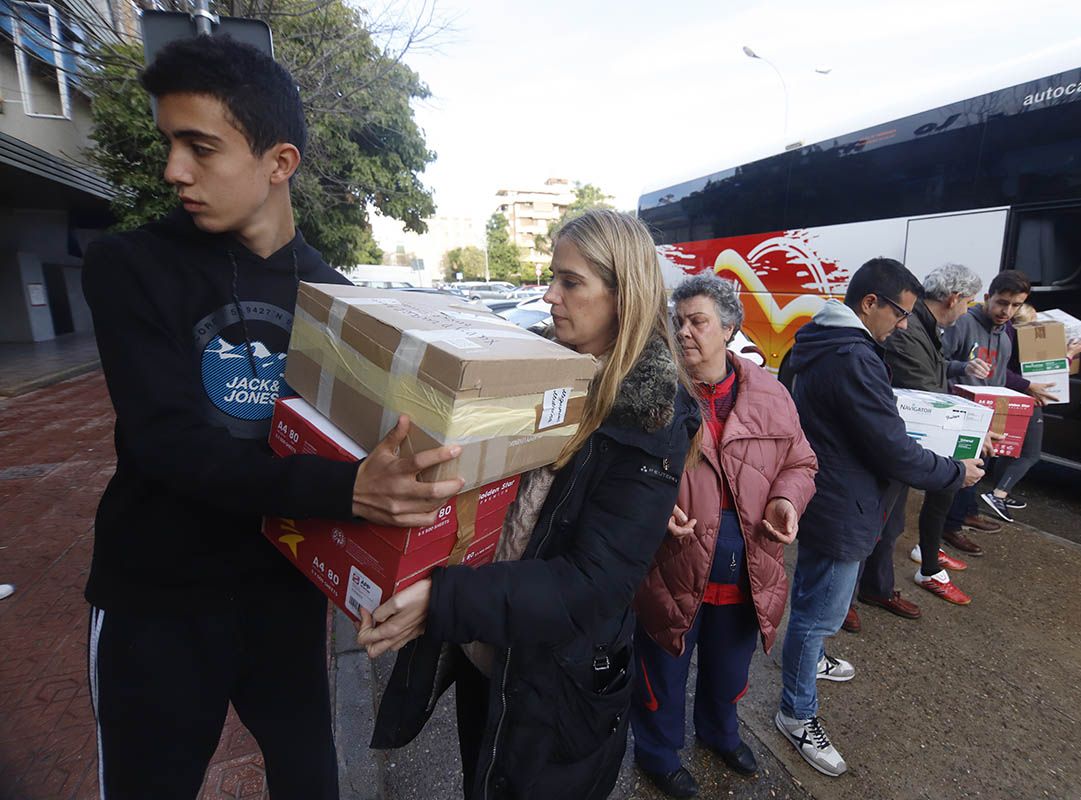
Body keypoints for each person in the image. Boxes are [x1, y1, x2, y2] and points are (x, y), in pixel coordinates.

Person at [82, 36, 464, 799]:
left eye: (201, 148)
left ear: (278, 163)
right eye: (170, 144)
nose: (174, 171)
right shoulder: (130, 265)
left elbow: (379, 450)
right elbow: (168, 445)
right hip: (155, 599)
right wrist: (347, 490)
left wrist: (404, 564)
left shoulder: (338, 299)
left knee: (313, 783)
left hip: (281, 599)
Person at [357, 209, 702, 800]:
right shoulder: (530, 372)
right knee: (483, 777)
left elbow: (592, 585)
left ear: (625, 295)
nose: (548, 297)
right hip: (485, 650)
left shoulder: (655, 416)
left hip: (555, 684)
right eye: (552, 277)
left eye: (571, 282)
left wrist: (443, 599)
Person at [776, 258, 984, 777]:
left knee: (812, 594)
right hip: (844, 501)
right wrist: (954, 471)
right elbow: (892, 449)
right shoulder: (855, 357)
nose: (905, 324)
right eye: (900, 313)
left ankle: (813, 660)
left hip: (822, 492)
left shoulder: (816, 336)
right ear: (870, 303)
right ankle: (796, 713)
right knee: (815, 614)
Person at [629, 275, 819, 798]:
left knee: (729, 670)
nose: (684, 331)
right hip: (672, 564)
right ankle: (658, 754)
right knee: (661, 674)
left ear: (730, 327)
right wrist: (655, 505)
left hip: (748, 567)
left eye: (698, 321)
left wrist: (786, 500)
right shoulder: (652, 394)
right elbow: (622, 470)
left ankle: (719, 734)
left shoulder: (770, 393)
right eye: (679, 321)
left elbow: (800, 461)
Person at [856, 263, 985, 617]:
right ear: (954, 298)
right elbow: (924, 391)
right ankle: (855, 596)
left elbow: (937, 373)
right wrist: (972, 430)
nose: (901, 321)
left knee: (890, 523)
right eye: (968, 303)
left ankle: (874, 588)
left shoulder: (925, 327)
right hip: (899, 440)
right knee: (877, 524)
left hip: (906, 439)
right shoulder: (911, 330)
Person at [940, 270, 1039, 552]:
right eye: (1002, 302)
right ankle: (950, 527)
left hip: (983, 418)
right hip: (957, 414)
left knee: (978, 467)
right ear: (987, 298)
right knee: (958, 474)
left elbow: (998, 381)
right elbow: (938, 364)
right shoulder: (962, 324)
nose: (1007, 311)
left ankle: (965, 514)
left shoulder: (1005, 338)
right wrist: (961, 371)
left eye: (1016, 305)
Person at [980, 303, 1081, 521]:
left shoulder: (1005, 340)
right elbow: (1049, 376)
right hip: (1027, 401)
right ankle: (998, 495)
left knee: (1010, 449)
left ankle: (1001, 491)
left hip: (1008, 398)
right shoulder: (1025, 347)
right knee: (1030, 454)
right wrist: (1069, 353)